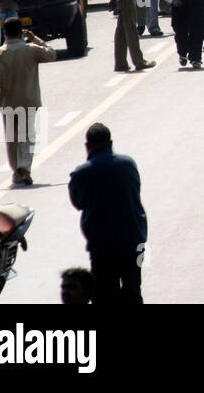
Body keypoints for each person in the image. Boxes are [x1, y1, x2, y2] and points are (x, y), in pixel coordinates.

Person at [68, 123, 147, 305]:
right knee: (133, 292)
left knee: (104, 295)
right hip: (135, 240)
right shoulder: (129, 164)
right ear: (111, 143)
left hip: (103, 246)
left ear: (87, 146)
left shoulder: (82, 173)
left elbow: (77, 203)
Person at [0, 17, 54, 186]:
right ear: (21, 32)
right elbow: (51, 54)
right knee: (27, 136)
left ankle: (17, 169)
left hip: (8, 102)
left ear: (4, 33)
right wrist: (34, 39)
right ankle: (24, 168)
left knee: (12, 139)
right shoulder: (31, 49)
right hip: (29, 101)